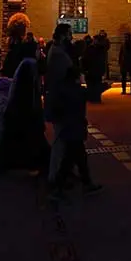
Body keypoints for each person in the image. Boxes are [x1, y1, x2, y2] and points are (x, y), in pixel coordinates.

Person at [0, 47, 50, 174]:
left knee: (13, 141)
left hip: (20, 112)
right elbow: (31, 90)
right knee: (30, 140)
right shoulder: (30, 66)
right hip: (26, 112)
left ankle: (1, 165)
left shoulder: (24, 66)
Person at [48, 65, 102, 199]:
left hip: (68, 126)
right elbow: (91, 94)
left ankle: (85, 182)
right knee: (71, 158)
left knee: (78, 156)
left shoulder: (62, 89)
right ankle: (60, 187)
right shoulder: (77, 91)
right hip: (75, 127)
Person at [45, 24, 75, 186]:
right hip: (61, 101)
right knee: (60, 141)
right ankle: (55, 176)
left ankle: (64, 173)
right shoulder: (58, 54)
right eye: (70, 34)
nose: (71, 37)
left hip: (60, 100)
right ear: (63, 35)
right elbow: (66, 75)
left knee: (66, 140)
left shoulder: (56, 50)